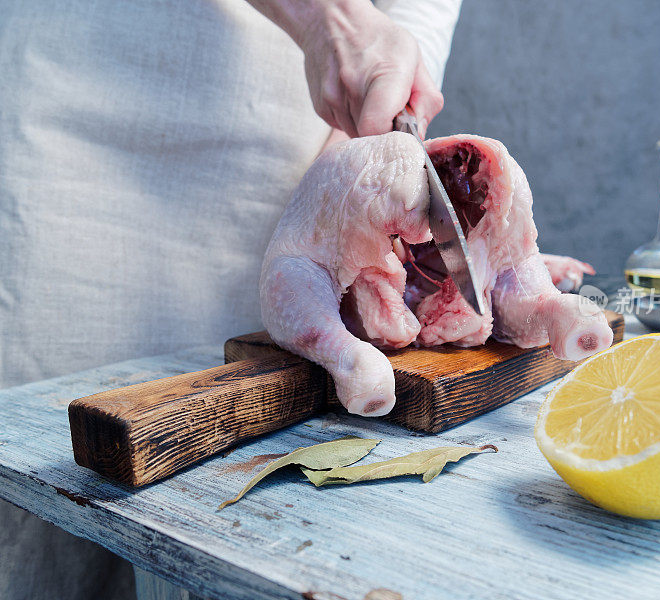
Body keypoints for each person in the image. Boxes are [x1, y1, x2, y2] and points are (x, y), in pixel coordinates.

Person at [0, 0, 462, 598]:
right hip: (80, 110)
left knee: (236, 512)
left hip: (294, 144)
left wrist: (353, 160)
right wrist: (332, 19)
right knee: (40, 508)